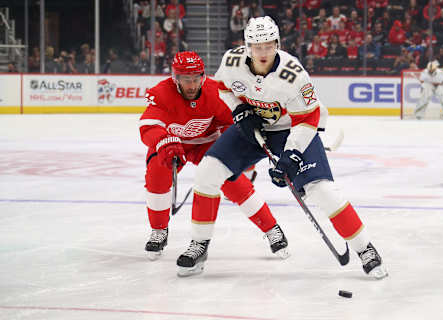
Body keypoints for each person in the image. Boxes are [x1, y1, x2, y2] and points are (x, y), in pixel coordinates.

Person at [176, 16, 388, 279]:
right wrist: (240, 109)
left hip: (292, 129)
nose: (263, 52)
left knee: (322, 190)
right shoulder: (232, 61)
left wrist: (291, 154)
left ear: (277, 43)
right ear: (247, 46)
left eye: (268, 45)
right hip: (253, 128)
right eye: (257, 46)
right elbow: (221, 88)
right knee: (207, 173)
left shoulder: (294, 74)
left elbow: (308, 118)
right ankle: (200, 244)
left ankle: (364, 248)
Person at [139, 51, 289, 263]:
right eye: (185, 79)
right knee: (157, 174)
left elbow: (233, 124)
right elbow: (148, 126)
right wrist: (163, 141)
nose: (191, 85)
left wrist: (240, 149)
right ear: (175, 78)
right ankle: (159, 230)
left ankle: (271, 228)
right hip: (173, 145)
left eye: (195, 79)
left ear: (202, 76)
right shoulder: (162, 93)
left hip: (208, 143)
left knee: (233, 182)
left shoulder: (215, 91)